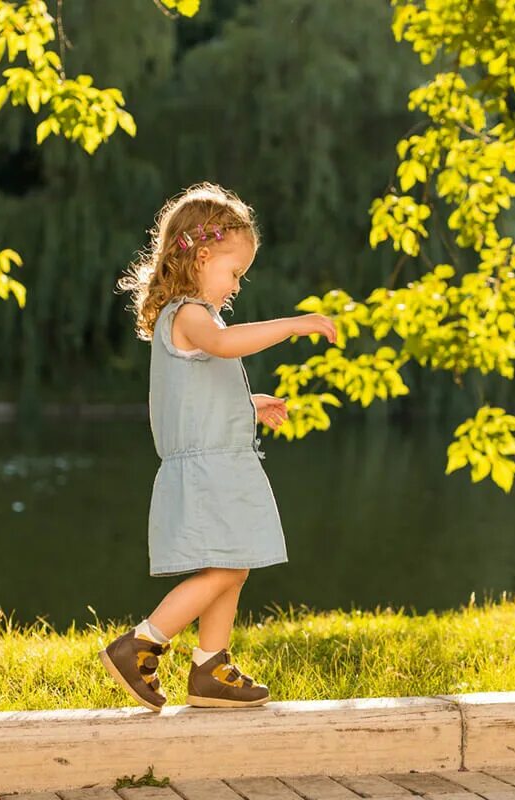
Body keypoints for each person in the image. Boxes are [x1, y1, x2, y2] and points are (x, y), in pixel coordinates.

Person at [102, 182, 336, 712]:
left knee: (235, 561)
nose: (235, 286)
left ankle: (211, 666)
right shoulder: (189, 315)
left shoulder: (190, 319)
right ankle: (141, 643)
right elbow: (226, 345)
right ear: (201, 256)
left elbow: (196, 396)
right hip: (209, 470)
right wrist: (294, 325)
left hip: (219, 462)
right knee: (227, 566)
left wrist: (247, 403)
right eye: (233, 272)